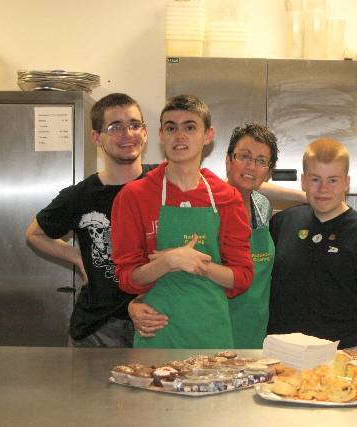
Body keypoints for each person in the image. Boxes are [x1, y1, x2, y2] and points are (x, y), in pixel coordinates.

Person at [111, 94, 254, 349]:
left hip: (211, 333)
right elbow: (127, 277)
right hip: (157, 332)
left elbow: (241, 277)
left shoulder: (227, 198)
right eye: (171, 128)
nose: (180, 136)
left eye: (190, 127)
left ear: (208, 135)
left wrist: (199, 265)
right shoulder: (134, 196)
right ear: (161, 135)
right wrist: (169, 261)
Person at [25, 93, 151, 347]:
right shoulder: (81, 195)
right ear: (97, 138)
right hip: (99, 330)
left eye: (134, 125)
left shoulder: (164, 183)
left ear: (145, 133)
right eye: (115, 127)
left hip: (155, 322)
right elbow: (34, 234)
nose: (127, 134)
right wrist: (78, 258)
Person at [267, 138, 357, 349]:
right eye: (315, 179)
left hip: (343, 355)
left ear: (346, 182)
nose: (323, 188)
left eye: (332, 180)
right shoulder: (282, 223)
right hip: (282, 353)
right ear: (303, 181)